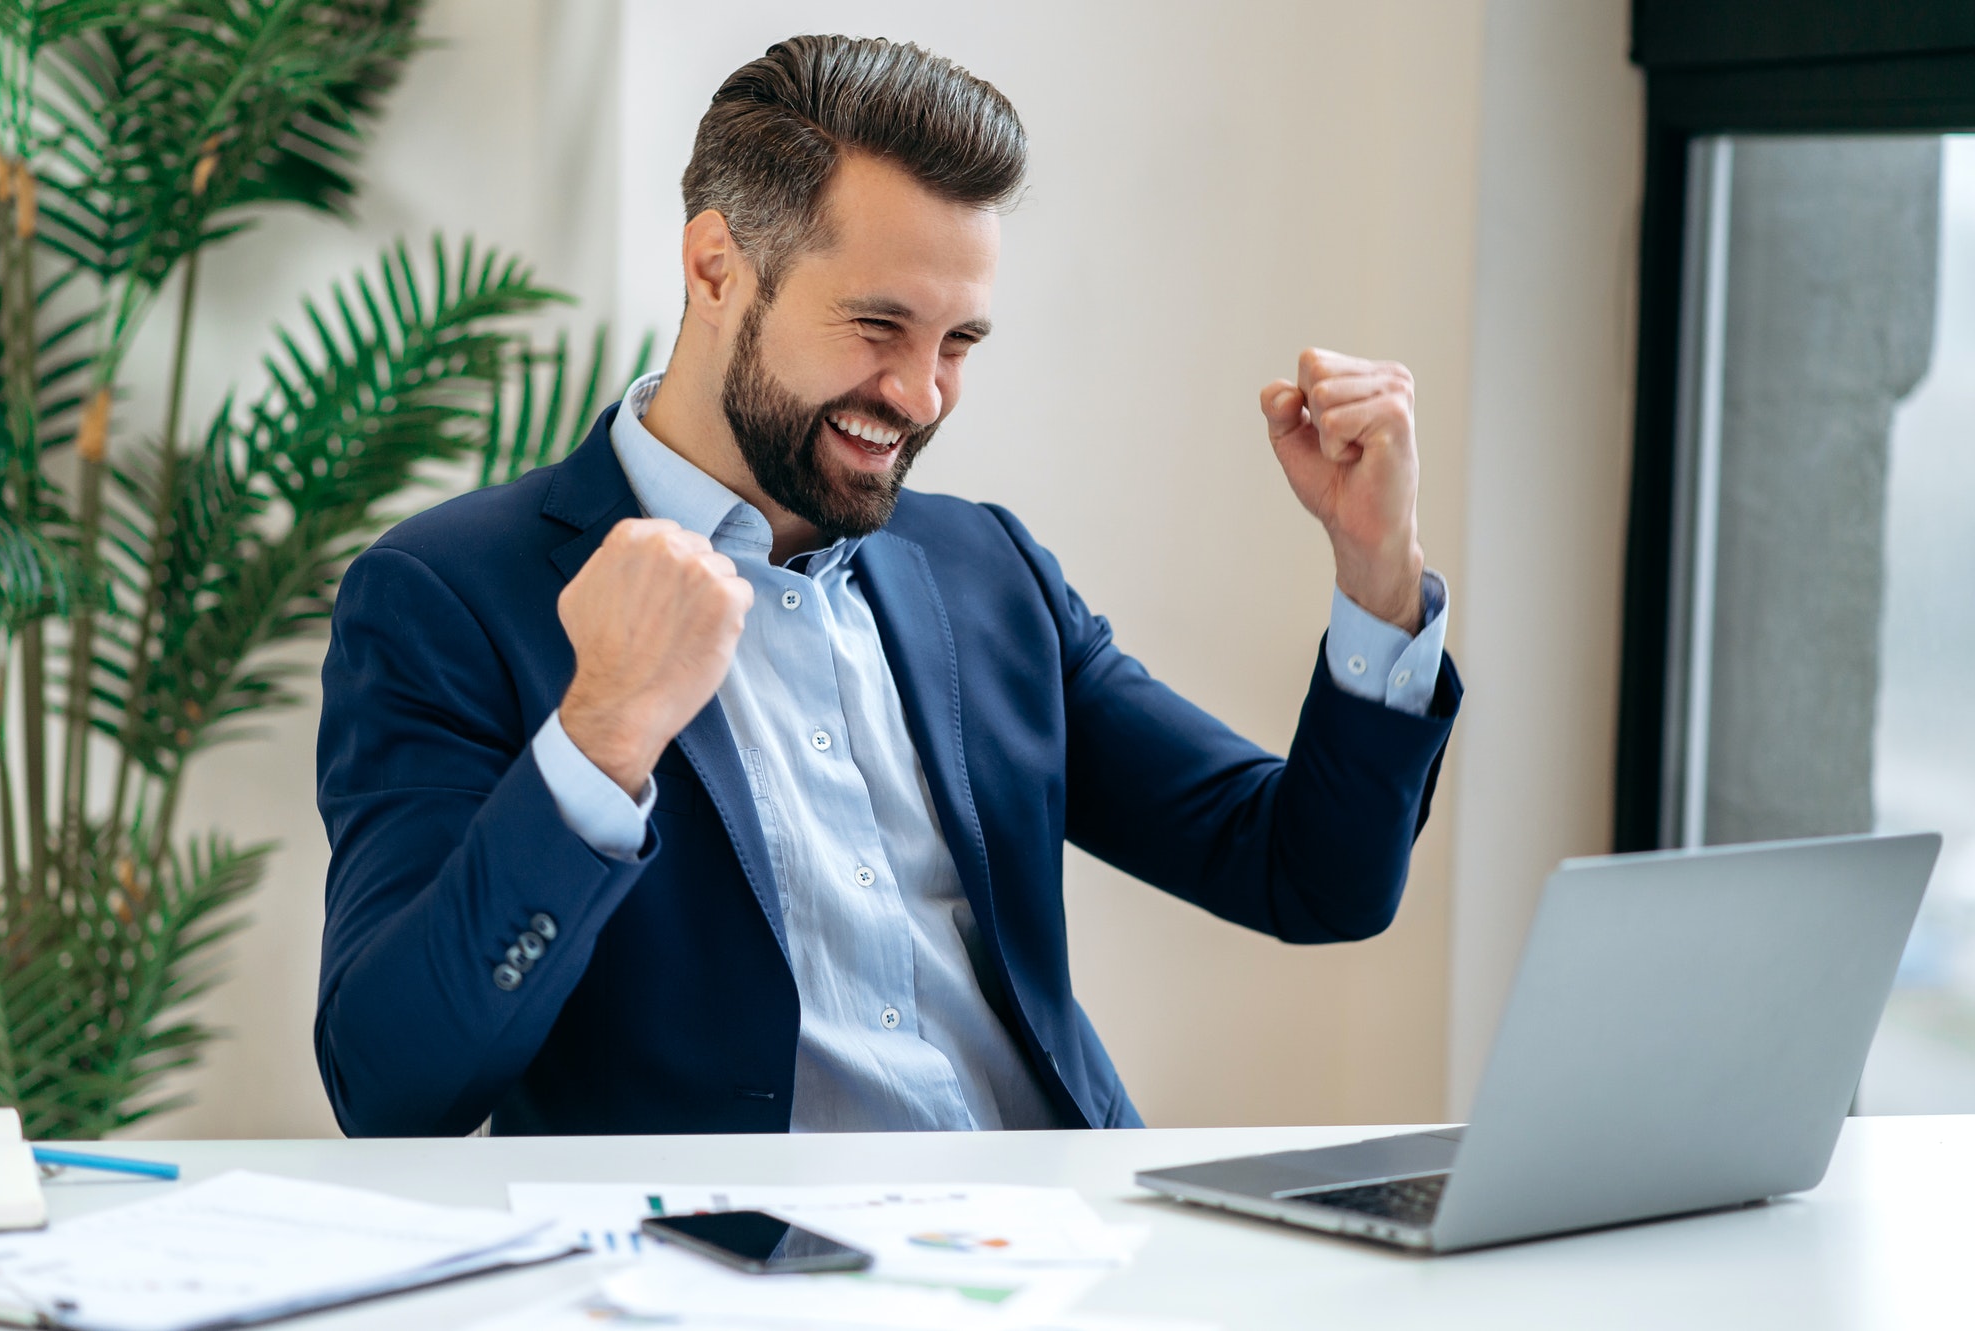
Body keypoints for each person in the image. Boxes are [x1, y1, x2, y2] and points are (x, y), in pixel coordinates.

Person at [314, 35, 1460, 1137]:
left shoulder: (984, 571)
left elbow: (1310, 880)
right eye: (877, 325)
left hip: (1065, 1249)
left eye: (958, 340)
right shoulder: (450, 595)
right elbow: (393, 1083)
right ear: (716, 267)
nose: (919, 394)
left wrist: (1374, 571)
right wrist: (599, 734)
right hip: (738, 1279)